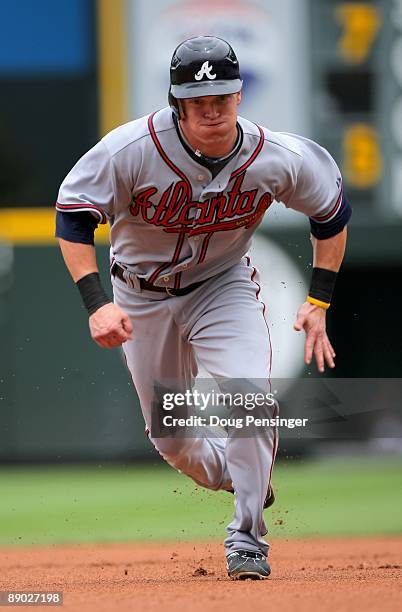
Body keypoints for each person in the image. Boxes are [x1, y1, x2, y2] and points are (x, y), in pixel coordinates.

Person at [55, 36, 351, 580]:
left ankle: (246, 539)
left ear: (239, 97)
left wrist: (319, 300)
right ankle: (248, 478)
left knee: (248, 396)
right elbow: (73, 218)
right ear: (178, 104)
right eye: (198, 101)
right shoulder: (131, 150)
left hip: (223, 285)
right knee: (173, 438)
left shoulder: (276, 156)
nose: (212, 111)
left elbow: (331, 214)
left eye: (222, 98)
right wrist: (95, 303)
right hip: (140, 295)